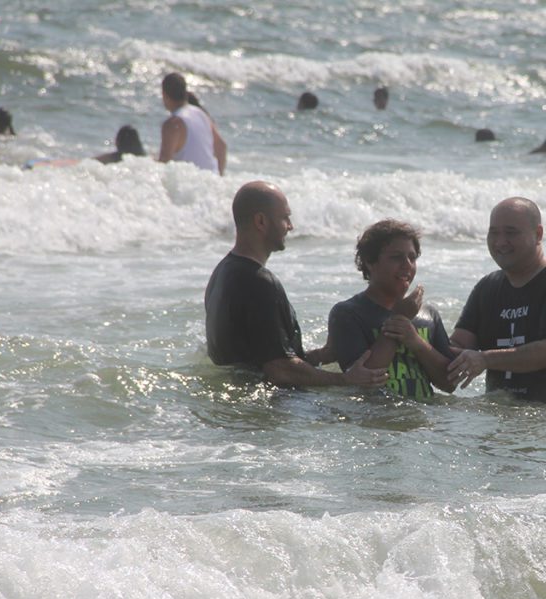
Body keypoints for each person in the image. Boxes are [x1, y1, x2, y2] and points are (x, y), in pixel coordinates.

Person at [205, 181, 388, 390]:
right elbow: (279, 370)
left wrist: (322, 355)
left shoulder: (222, 273)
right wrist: (344, 381)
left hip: (239, 402)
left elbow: (258, 358)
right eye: (285, 217)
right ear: (261, 221)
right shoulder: (260, 283)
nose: (290, 226)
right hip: (269, 408)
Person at [448, 197, 546, 402]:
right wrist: (414, 340)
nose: (500, 242)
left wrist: (485, 359)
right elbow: (459, 344)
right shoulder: (487, 288)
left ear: (538, 234)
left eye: (511, 233)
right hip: (503, 410)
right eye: (493, 233)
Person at [327, 220, 455, 399]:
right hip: (375, 419)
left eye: (412, 257)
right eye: (396, 257)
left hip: (423, 422)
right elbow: (364, 382)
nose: (407, 264)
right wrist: (400, 320)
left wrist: (416, 341)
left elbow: (449, 383)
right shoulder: (348, 313)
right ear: (370, 262)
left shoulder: (428, 315)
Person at [158, 72, 227, 175]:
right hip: (211, 181)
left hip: (189, 186)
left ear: (164, 95)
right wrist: (219, 177)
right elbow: (222, 147)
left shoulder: (173, 123)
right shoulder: (202, 114)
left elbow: (164, 163)